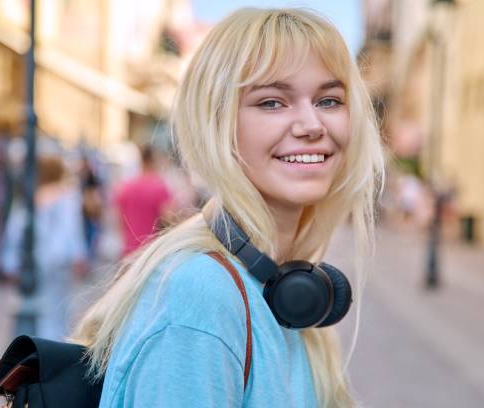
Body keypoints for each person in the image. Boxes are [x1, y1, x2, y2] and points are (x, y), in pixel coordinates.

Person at [73, 8, 384, 407]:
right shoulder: (201, 299)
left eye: (329, 100)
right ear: (217, 122)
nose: (312, 124)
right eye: (272, 102)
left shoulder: (287, 291)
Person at [0, 155, 88, 340]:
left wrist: (9, 261)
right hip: (59, 261)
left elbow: (15, 231)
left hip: (32, 261)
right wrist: (79, 256)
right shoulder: (66, 196)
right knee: (57, 312)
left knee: (31, 308)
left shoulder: (29, 197)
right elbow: (72, 229)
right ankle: (51, 349)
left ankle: (32, 349)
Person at [113, 145, 173, 255]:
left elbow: (118, 221)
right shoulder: (159, 187)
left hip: (129, 252)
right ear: (153, 161)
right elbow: (169, 220)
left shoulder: (125, 187)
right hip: (151, 253)